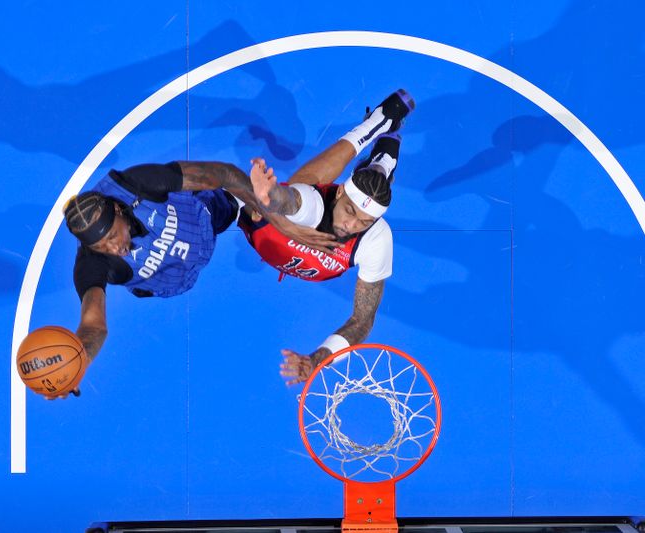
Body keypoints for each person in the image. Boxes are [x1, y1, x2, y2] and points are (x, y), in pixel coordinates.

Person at [58, 160, 336, 397]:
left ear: (118, 211)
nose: (111, 248)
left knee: (285, 206)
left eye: (111, 236)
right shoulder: (91, 265)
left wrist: (279, 220)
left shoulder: (137, 184)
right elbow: (93, 325)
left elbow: (226, 174)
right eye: (100, 247)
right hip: (172, 277)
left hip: (212, 211)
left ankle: (369, 135)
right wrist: (78, 361)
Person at [238, 89, 415, 385]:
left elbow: (362, 319)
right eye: (349, 211)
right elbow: (289, 200)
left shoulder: (376, 239)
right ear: (341, 192)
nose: (351, 225)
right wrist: (269, 196)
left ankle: (383, 159)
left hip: (304, 250)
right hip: (279, 220)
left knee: (378, 183)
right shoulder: (311, 205)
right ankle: (374, 126)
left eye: (365, 221)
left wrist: (317, 359)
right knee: (300, 186)